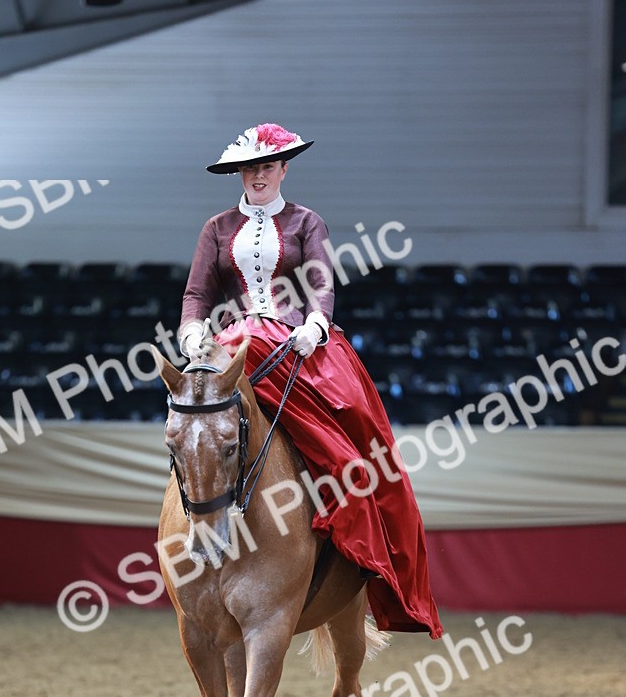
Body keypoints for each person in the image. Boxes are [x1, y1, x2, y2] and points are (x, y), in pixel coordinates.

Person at [178, 123, 442, 639]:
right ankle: (193, 515)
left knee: (356, 433)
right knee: (194, 429)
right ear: (240, 172)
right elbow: (196, 295)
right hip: (236, 344)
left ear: (284, 169)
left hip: (297, 343)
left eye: (268, 166)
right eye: (251, 167)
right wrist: (191, 334)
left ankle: (359, 541)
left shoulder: (306, 221)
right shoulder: (216, 226)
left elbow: (321, 284)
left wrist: (315, 325)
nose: (259, 174)